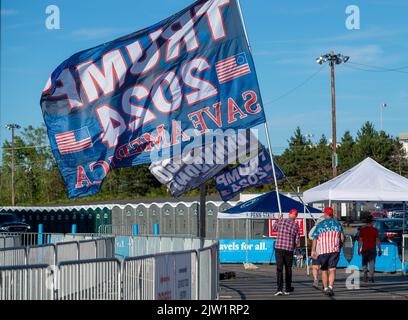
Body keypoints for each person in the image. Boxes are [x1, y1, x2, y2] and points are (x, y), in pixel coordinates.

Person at [311, 207, 345, 296]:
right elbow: (342, 238)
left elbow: (315, 238)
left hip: (323, 250)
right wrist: (339, 247)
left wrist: (313, 250)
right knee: (332, 269)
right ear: (332, 214)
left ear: (325, 214)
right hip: (334, 250)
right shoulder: (337, 224)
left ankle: (325, 288)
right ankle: (330, 287)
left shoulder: (320, 225)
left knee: (324, 270)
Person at [272, 208, 301, 296]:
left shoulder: (282, 221)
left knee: (279, 269)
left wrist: (278, 219)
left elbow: (274, 228)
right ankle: (287, 288)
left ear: (289, 214)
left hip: (279, 248)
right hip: (289, 249)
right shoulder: (296, 226)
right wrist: (294, 246)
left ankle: (279, 289)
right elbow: (297, 242)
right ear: (296, 216)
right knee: (288, 269)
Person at [358, 215, 382, 283]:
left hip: (364, 248)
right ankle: (371, 276)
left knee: (364, 262)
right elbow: (377, 240)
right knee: (372, 262)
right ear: (371, 222)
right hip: (372, 249)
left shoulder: (362, 230)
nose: (373, 223)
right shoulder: (375, 230)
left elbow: (360, 240)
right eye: (373, 222)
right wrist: (380, 249)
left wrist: (359, 249)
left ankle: (365, 272)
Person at [308, 216, 325, 289]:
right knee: (325, 268)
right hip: (326, 250)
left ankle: (315, 280)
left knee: (315, 266)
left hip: (316, 249)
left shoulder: (315, 227)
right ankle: (325, 283)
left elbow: (310, 236)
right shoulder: (329, 227)